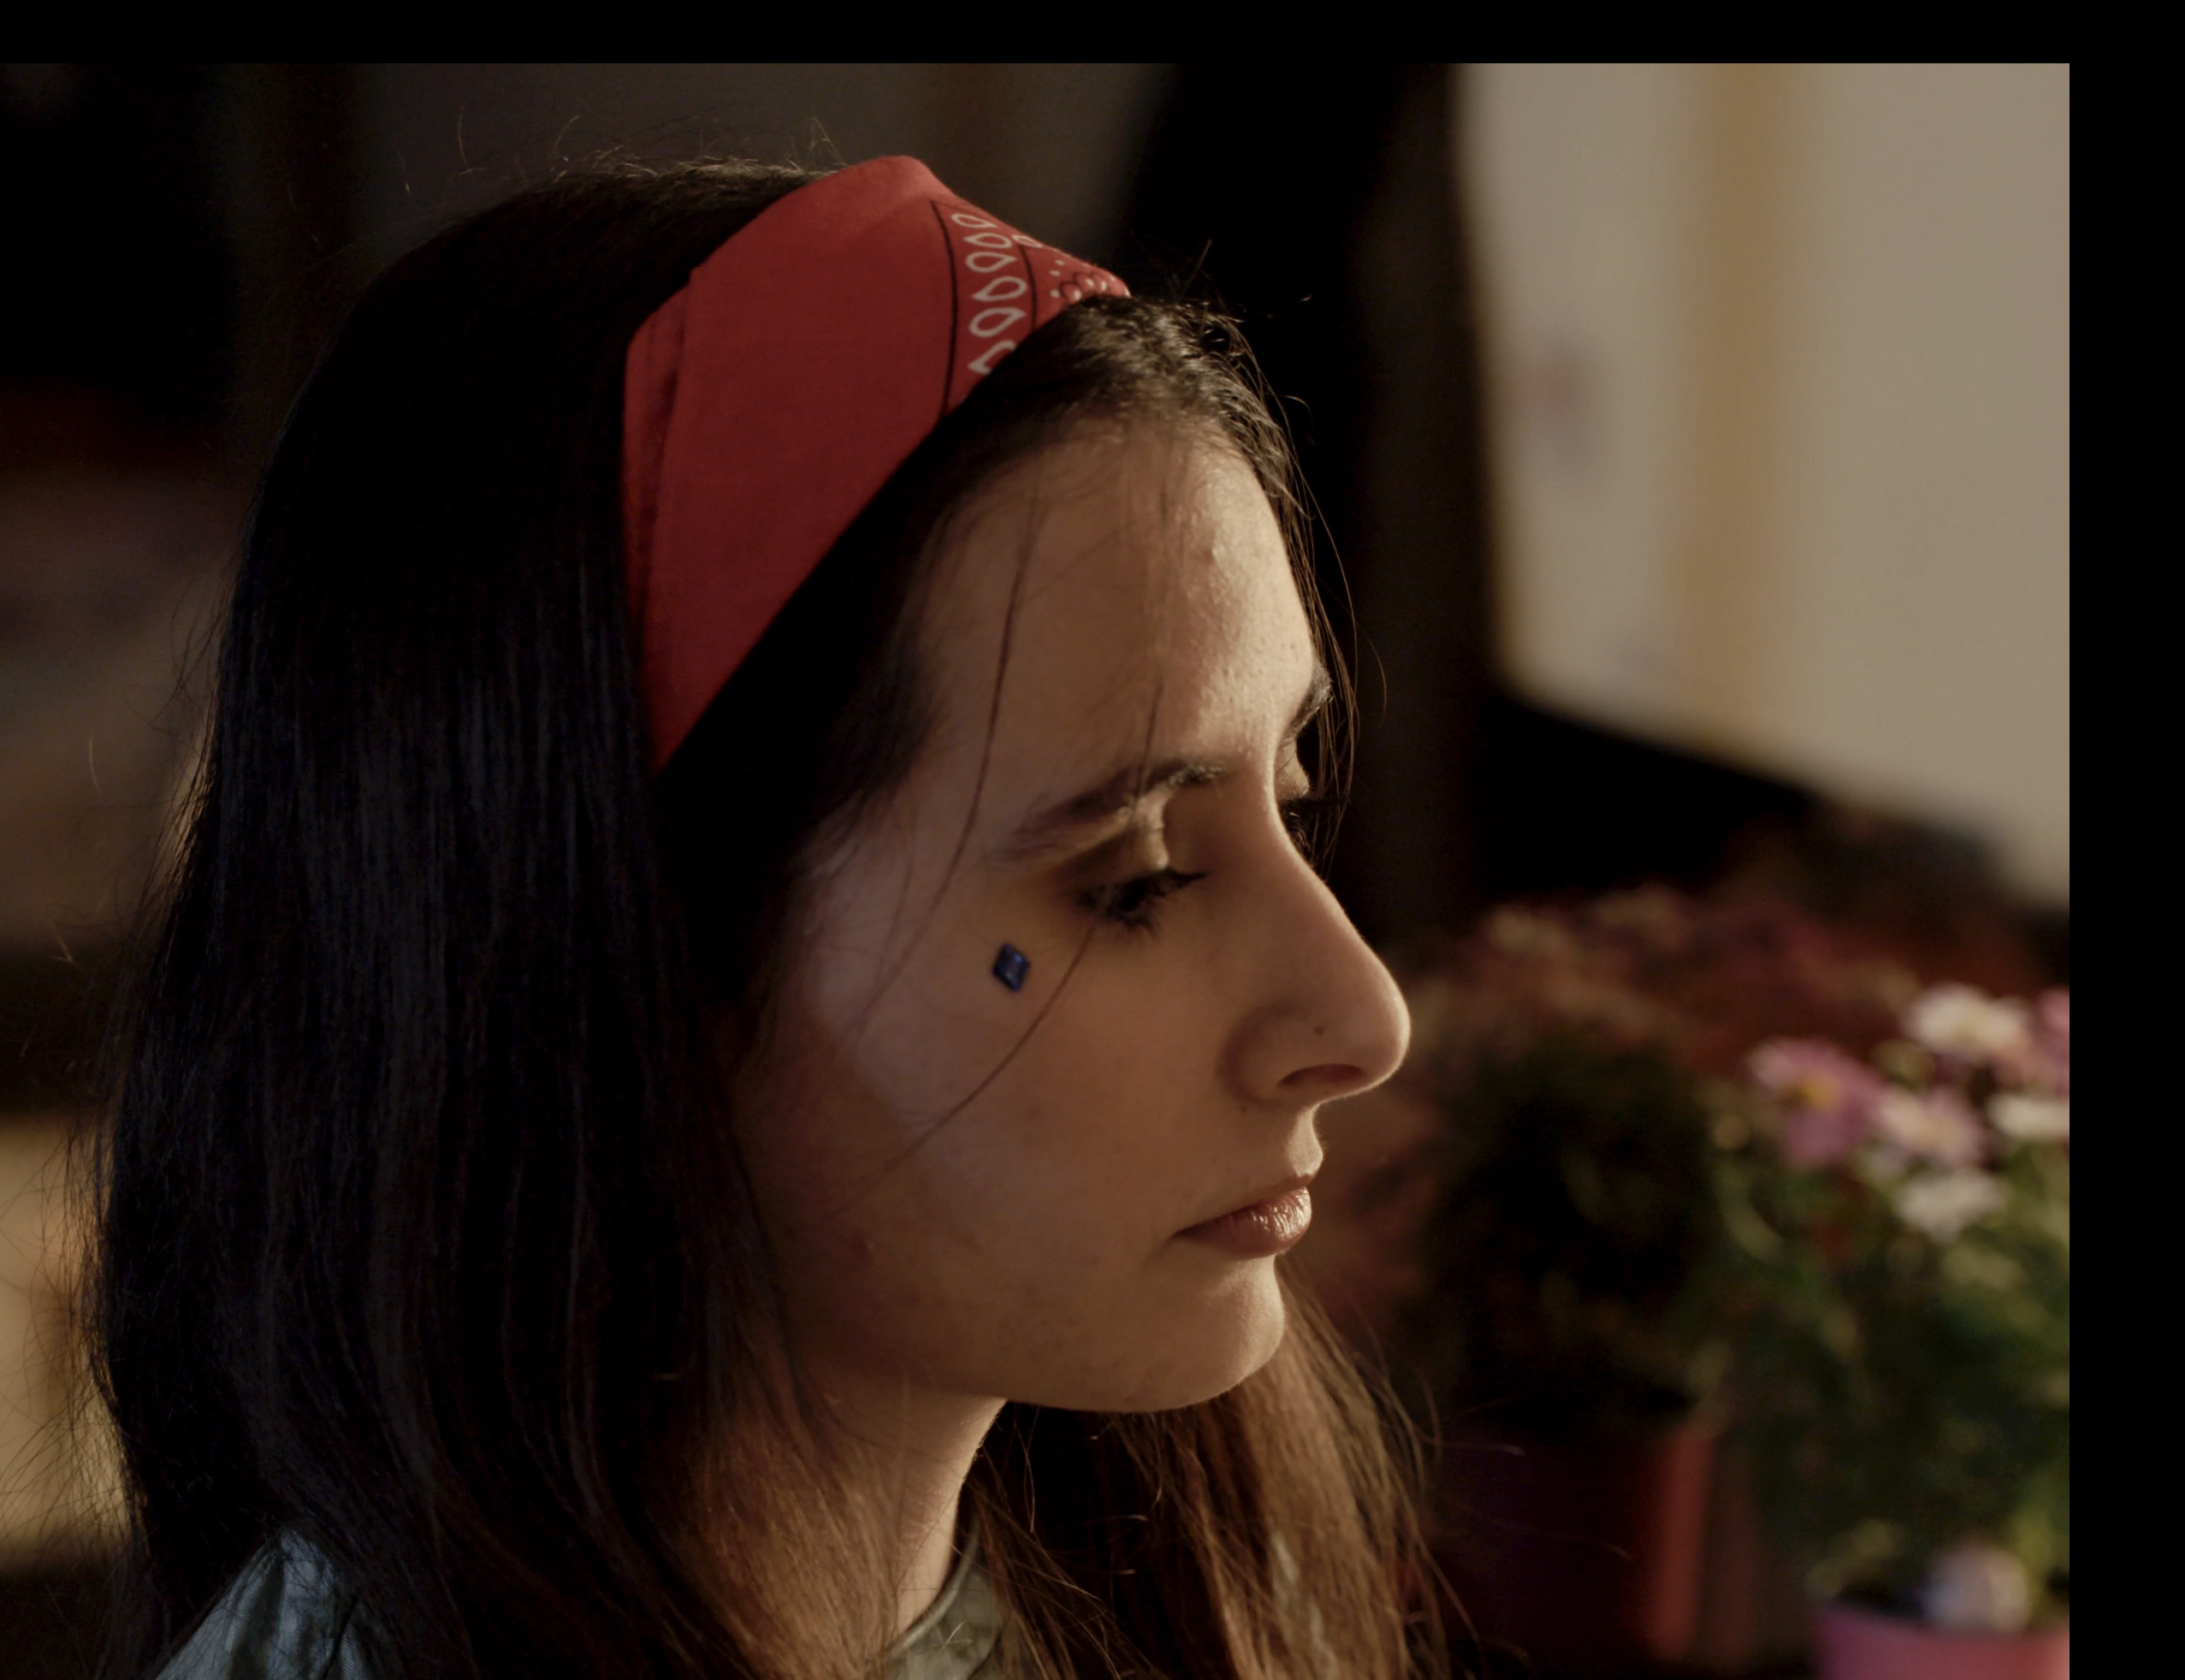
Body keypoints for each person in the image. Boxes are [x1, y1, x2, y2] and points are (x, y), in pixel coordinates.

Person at [94, 155, 1433, 1679]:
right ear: (626, 947)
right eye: (1132, 879)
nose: (1363, 1016)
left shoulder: (1179, 1594)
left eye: (1294, 797)